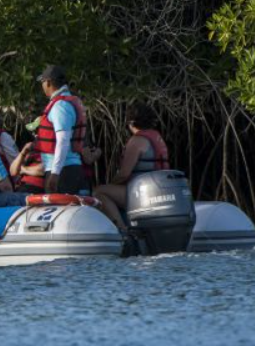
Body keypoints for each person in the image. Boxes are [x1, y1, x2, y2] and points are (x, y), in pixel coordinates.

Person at [92, 103, 171, 233]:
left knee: (99, 192)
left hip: (143, 194)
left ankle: (122, 231)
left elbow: (124, 174)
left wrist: (111, 185)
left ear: (131, 122)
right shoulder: (157, 137)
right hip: (159, 191)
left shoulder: (136, 141)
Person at [33, 65, 89, 194]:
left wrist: (55, 173)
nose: (42, 86)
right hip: (66, 169)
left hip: (64, 171)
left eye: (42, 82)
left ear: (48, 82)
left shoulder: (60, 106)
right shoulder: (65, 102)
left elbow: (63, 141)